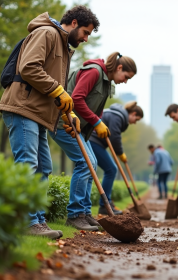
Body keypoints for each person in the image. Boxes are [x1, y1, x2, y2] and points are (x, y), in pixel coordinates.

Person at [0, 6, 99, 239]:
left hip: (37, 113)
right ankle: (27, 221)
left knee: (43, 168)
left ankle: (38, 221)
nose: (84, 39)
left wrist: (67, 113)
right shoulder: (47, 33)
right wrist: (59, 90)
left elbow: (52, 88)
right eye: (85, 32)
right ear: (73, 23)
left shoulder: (63, 47)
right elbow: (29, 68)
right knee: (28, 165)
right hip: (23, 108)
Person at [52, 52, 136, 229]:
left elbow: (96, 108)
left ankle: (85, 212)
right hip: (64, 122)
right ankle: (74, 215)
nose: (125, 81)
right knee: (85, 162)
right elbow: (76, 98)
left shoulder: (106, 82)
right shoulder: (94, 72)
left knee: (93, 163)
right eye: (126, 77)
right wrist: (97, 122)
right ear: (119, 68)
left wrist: (98, 121)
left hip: (81, 128)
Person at [89, 101, 143, 215]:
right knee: (111, 169)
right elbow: (115, 137)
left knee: (110, 169)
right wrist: (120, 153)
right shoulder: (117, 116)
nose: (135, 123)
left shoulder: (119, 115)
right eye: (136, 119)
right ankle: (104, 205)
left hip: (96, 142)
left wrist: (120, 154)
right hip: (93, 141)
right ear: (133, 113)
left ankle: (106, 203)